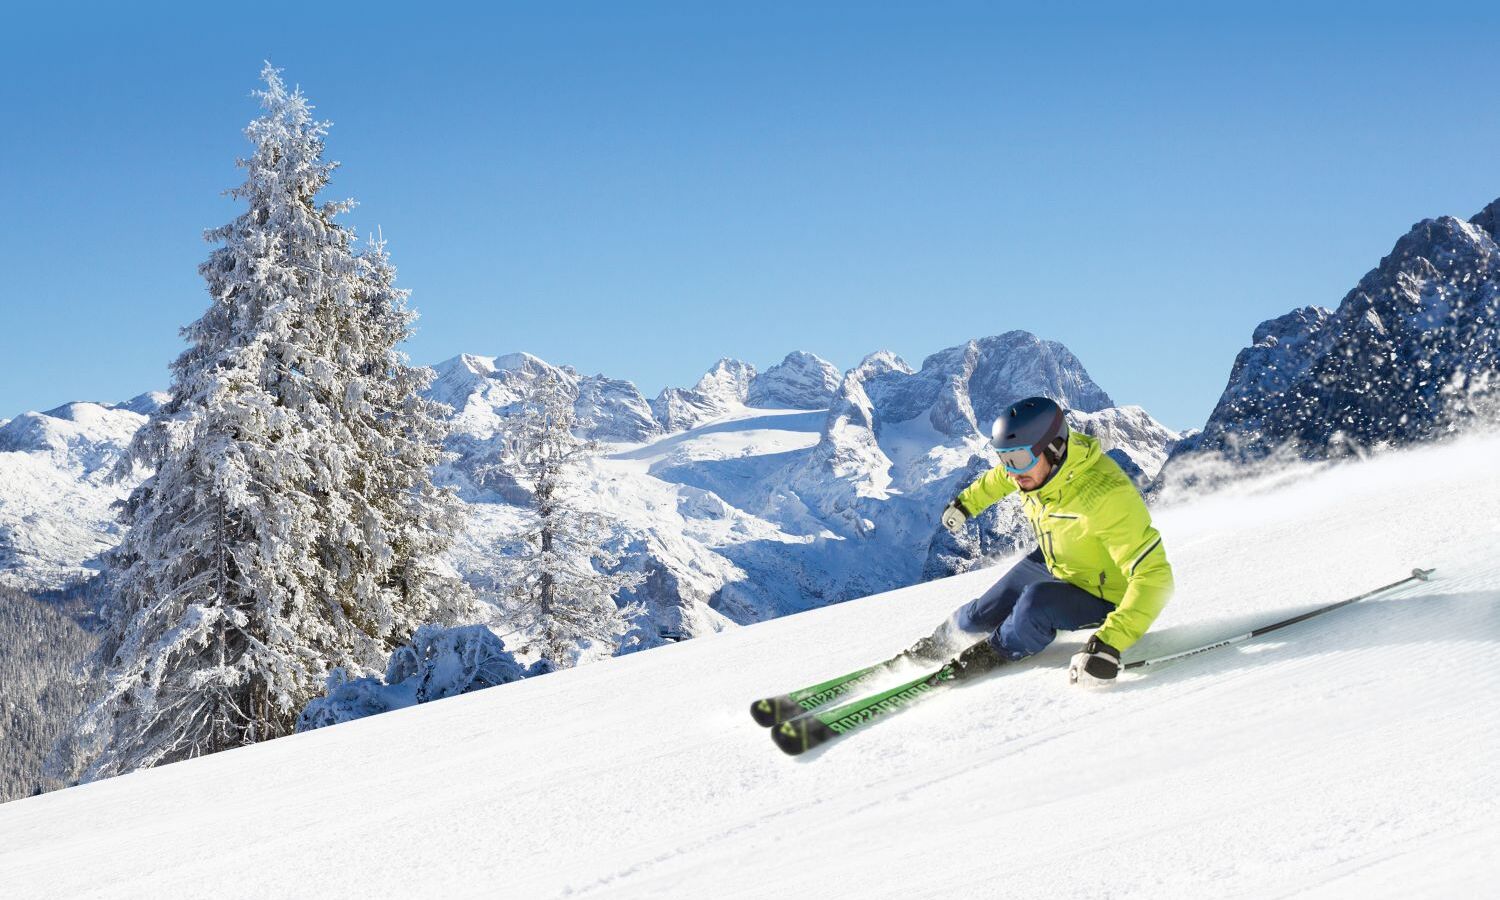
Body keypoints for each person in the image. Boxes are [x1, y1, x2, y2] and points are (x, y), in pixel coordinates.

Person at [909, 396, 1174, 686]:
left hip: (1104, 593)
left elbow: (1154, 578)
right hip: (1056, 560)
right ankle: (933, 646)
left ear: (1055, 449)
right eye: (1004, 458)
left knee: (1033, 608)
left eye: (1018, 459)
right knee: (978, 615)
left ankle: (989, 654)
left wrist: (1109, 644)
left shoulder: (1105, 496)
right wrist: (965, 505)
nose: (1012, 471)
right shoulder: (1031, 469)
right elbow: (998, 478)